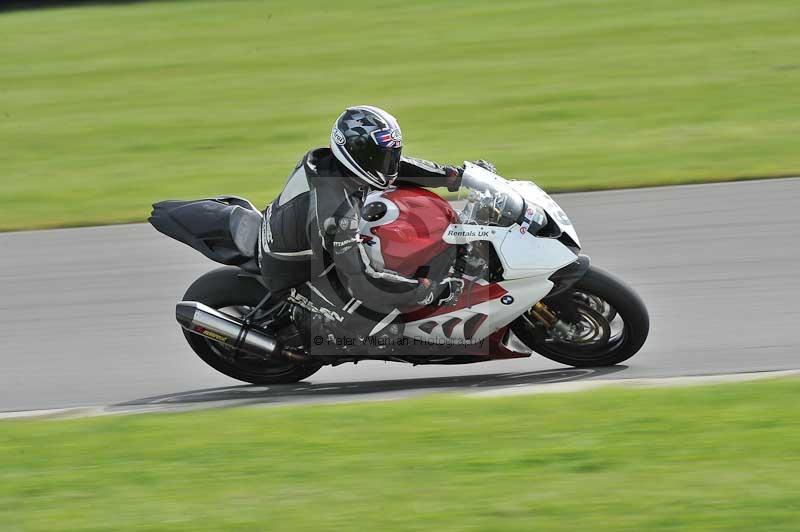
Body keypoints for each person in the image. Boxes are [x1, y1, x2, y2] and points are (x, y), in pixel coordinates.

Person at [257, 105, 494, 346]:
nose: (389, 164)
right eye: (382, 157)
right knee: (383, 329)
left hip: (303, 237)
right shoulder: (337, 213)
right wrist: (429, 290)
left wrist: (456, 176)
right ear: (358, 153)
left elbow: (399, 169)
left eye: (390, 155)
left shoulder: (338, 164)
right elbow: (362, 281)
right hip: (295, 270)